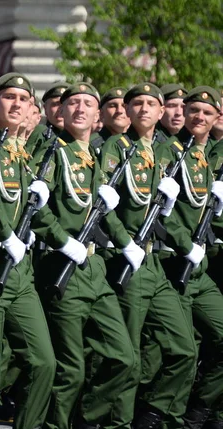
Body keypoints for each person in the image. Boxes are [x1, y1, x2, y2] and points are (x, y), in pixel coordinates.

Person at [31, 82, 135, 429]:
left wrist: (126, 244)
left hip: (93, 269)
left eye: (87, 104)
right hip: (63, 265)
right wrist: (62, 240)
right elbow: (37, 208)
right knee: (71, 369)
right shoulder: (53, 154)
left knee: (123, 358)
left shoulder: (93, 158)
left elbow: (103, 213)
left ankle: (88, 418)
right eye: (72, 103)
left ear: (98, 116)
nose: (79, 109)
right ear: (60, 112)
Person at [99, 83, 197, 428]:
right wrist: (124, 242)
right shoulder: (117, 146)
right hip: (128, 260)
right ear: (127, 110)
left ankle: (154, 413)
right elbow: (103, 206)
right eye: (136, 103)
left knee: (185, 350)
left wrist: (187, 245)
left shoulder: (167, 150)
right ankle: (118, 422)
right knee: (132, 357)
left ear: (161, 111)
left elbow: (167, 216)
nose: (143, 108)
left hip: (154, 261)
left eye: (150, 103)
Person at [0, 72, 56, 429]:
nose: (17, 104)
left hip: (20, 271)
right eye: (9, 98)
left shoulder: (19, 151)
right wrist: (6, 236)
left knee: (43, 361)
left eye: (24, 99)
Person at [154, 86, 223, 429]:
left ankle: (197, 412)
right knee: (181, 352)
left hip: (200, 268)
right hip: (171, 264)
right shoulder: (169, 152)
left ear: (215, 119)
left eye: (206, 113)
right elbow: (157, 214)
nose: (198, 117)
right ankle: (160, 416)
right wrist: (185, 244)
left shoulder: (205, 156)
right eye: (193, 110)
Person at [27, 82, 69, 157]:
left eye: (65, 104)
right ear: (45, 109)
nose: (61, 109)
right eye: (55, 104)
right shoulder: (39, 135)